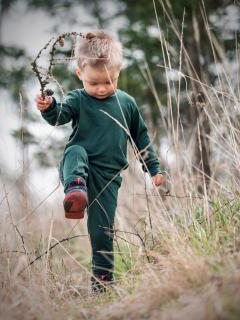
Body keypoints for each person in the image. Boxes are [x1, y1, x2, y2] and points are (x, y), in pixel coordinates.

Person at [35, 30, 164, 292]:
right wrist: (48, 107)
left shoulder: (126, 103)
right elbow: (60, 116)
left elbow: (141, 138)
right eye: (94, 83)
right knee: (76, 151)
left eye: (109, 81)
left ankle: (102, 281)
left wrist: (153, 168)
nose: (102, 88)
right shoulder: (77, 99)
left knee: (102, 229)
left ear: (118, 72)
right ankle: (75, 191)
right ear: (80, 74)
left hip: (108, 179)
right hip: (78, 169)